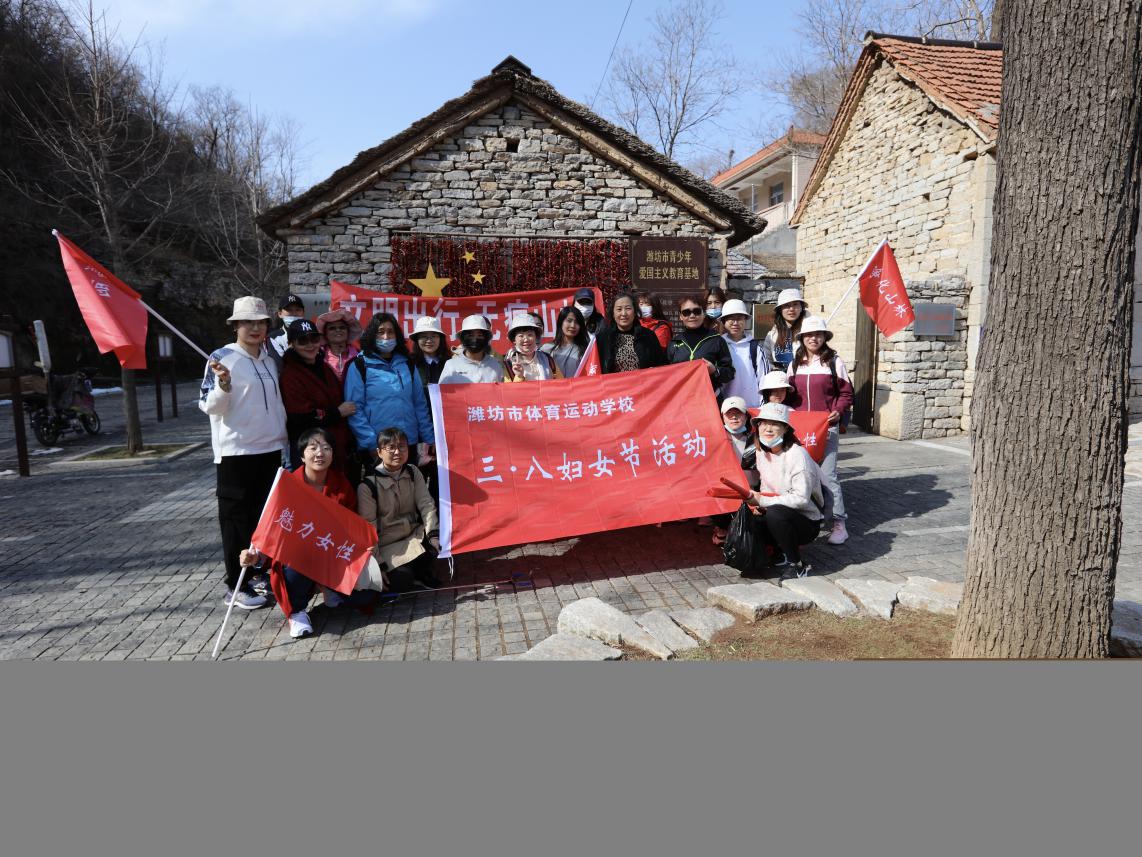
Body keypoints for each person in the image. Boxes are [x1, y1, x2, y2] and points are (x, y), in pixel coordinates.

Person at [199, 296, 288, 610]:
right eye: (247, 322)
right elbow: (209, 406)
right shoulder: (222, 358)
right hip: (236, 452)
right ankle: (235, 585)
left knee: (263, 518)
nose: (255, 328)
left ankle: (258, 573)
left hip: (271, 448)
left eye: (260, 322)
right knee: (235, 521)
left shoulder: (269, 359)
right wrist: (223, 384)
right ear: (235, 325)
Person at [237, 427, 361, 639]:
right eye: (313, 448)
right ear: (302, 455)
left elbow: (352, 526)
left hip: (331, 552)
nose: (320, 453)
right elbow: (271, 531)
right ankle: (297, 612)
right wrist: (255, 556)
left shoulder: (342, 484)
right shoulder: (287, 487)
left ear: (333, 454)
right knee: (297, 557)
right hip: (298, 558)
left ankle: (329, 586)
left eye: (326, 448)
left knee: (366, 598)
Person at [786, 315, 854, 546]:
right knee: (801, 474)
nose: (813, 338)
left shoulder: (834, 361)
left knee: (828, 475)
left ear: (824, 337)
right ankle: (805, 518)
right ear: (802, 338)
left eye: (817, 334)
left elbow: (846, 393)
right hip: (800, 430)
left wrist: (838, 411)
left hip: (826, 428)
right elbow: (788, 395)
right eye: (808, 335)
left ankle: (839, 523)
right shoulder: (795, 363)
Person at [742, 402, 825, 580]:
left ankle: (798, 565)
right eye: (763, 423)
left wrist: (763, 501)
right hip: (781, 510)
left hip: (806, 520)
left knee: (775, 514)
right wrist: (758, 505)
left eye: (775, 424)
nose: (768, 429)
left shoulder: (797, 455)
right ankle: (774, 554)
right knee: (749, 514)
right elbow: (765, 486)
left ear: (785, 428)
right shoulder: (762, 452)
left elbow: (801, 499)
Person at [344, 313, 434, 468]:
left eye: (390, 332)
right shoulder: (360, 365)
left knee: (408, 482)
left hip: (407, 443)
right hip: (379, 446)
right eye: (381, 332)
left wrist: (429, 438)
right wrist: (371, 443)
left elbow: (419, 404)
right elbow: (355, 409)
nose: (386, 336)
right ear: (372, 335)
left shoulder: (407, 364)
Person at [358, 427, 442, 591]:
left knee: (439, 543)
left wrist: (433, 533)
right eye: (391, 448)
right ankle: (414, 574)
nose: (397, 452)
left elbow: (426, 504)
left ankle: (420, 572)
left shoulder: (412, 471)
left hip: (414, 535)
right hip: (387, 545)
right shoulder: (367, 486)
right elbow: (368, 528)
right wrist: (377, 563)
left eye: (402, 446)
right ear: (379, 452)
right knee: (402, 579)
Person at [279, 318, 355, 474]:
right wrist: (337, 412)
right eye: (302, 341)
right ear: (291, 344)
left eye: (314, 339)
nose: (310, 345)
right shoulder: (289, 375)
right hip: (310, 449)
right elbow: (300, 417)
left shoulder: (322, 365)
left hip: (334, 446)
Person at [712, 396, 760, 546]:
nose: (734, 417)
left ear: (746, 416)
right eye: (729, 414)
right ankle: (721, 527)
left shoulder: (756, 438)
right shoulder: (715, 438)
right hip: (726, 489)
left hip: (751, 489)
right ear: (722, 417)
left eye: (738, 413)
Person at [666, 294, 734, 393]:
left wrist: (715, 370)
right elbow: (666, 373)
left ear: (704, 313)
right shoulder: (674, 342)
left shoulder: (716, 340)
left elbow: (729, 373)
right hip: (681, 398)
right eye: (686, 312)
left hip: (709, 397)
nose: (692, 316)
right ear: (681, 316)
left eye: (697, 311)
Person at [595, 292, 666, 373]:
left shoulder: (648, 336)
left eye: (628, 308)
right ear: (613, 314)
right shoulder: (603, 337)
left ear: (635, 312)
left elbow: (661, 365)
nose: (624, 314)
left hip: (642, 381)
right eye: (619, 309)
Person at [719, 298, 769, 408]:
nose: (735, 323)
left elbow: (764, 379)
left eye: (739, 318)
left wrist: (762, 406)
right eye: (731, 318)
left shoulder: (755, 348)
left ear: (745, 320)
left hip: (753, 407)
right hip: (727, 409)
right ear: (724, 321)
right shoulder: (718, 346)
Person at [438, 314, 503, 384]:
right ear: (462, 338)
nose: (475, 339)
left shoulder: (495, 364)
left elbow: (502, 389)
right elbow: (442, 390)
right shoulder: (451, 365)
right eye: (470, 335)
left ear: (486, 338)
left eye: (480, 335)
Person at [504, 312, 562, 381]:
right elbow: (507, 388)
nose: (526, 339)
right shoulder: (509, 365)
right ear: (514, 340)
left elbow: (561, 384)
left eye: (530, 335)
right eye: (521, 336)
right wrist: (519, 376)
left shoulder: (548, 360)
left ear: (536, 337)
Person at [763, 288, 809, 371]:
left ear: (801, 307)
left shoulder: (809, 332)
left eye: (795, 304)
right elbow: (766, 360)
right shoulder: (772, 335)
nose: (791, 309)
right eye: (787, 305)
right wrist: (776, 371)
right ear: (780, 309)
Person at [540, 305, 589, 378]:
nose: (573, 325)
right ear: (561, 322)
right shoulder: (546, 349)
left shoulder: (586, 350)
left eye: (577, 322)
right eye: (569, 321)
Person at [316, 307, 362, 383]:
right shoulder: (318, 356)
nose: (338, 330)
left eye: (342, 327)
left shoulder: (360, 356)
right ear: (325, 334)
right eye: (332, 328)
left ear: (348, 332)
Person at [408, 315, 451, 389]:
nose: (429, 341)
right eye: (424, 336)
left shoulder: (450, 363)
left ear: (440, 339)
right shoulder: (409, 363)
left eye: (434, 336)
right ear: (417, 340)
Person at [267, 293, 307, 360]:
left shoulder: (311, 334)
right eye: (289, 310)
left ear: (303, 313)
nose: (294, 313)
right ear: (280, 314)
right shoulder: (274, 338)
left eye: (298, 310)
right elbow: (279, 363)